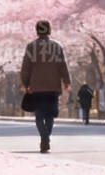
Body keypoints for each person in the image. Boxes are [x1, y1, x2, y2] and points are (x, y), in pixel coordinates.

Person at [19, 19, 71, 153]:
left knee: (39, 115)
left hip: (36, 87)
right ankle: (46, 137)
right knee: (50, 115)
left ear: (37, 30)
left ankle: (44, 137)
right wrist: (67, 82)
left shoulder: (31, 47)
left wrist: (25, 83)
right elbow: (63, 66)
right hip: (53, 87)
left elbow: (26, 68)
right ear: (49, 30)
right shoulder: (57, 46)